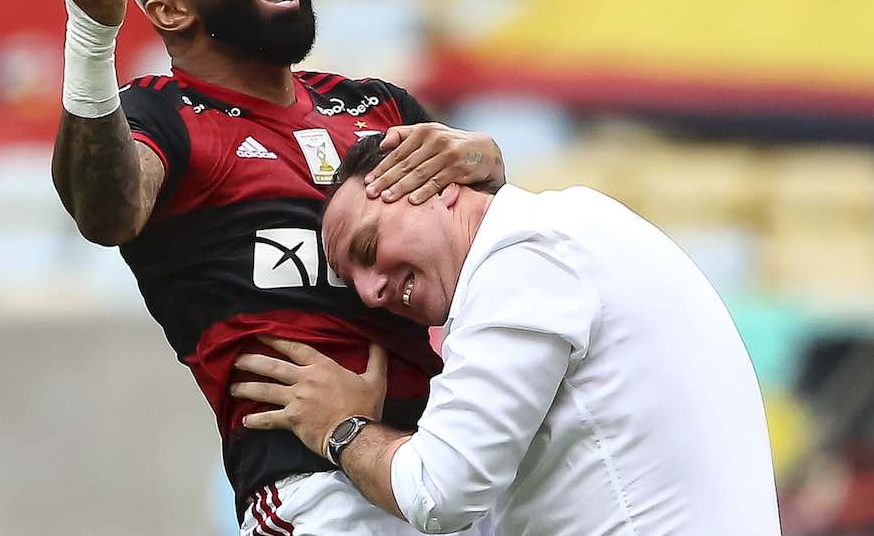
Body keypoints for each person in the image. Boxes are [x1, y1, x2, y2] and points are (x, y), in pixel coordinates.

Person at [51, 0, 505, 536]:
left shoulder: (378, 106)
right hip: (317, 492)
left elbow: (489, 264)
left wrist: (490, 170)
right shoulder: (163, 113)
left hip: (454, 471)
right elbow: (107, 212)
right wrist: (91, 41)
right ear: (172, 10)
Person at [232, 134, 783, 536]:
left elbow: (440, 491)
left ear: (436, 187)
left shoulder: (522, 259)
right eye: (354, 283)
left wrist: (342, 428)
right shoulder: (570, 228)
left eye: (369, 249)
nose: (373, 291)